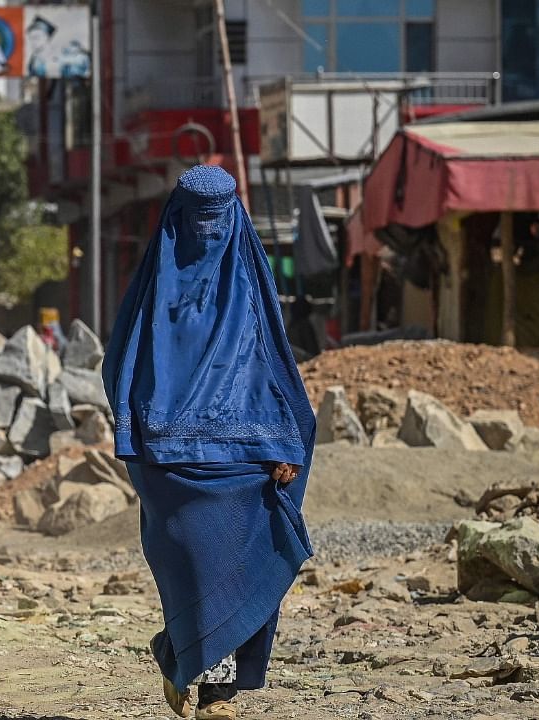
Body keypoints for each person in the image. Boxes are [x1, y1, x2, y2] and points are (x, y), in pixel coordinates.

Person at [102, 166, 315, 720]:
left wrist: (284, 444)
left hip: (242, 458)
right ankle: (191, 662)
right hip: (167, 458)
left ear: (234, 218)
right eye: (198, 216)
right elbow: (121, 367)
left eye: (218, 216)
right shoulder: (156, 288)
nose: (208, 230)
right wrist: (135, 430)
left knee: (238, 562)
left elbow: (273, 369)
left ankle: (208, 684)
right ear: (177, 218)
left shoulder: (248, 287)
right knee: (191, 564)